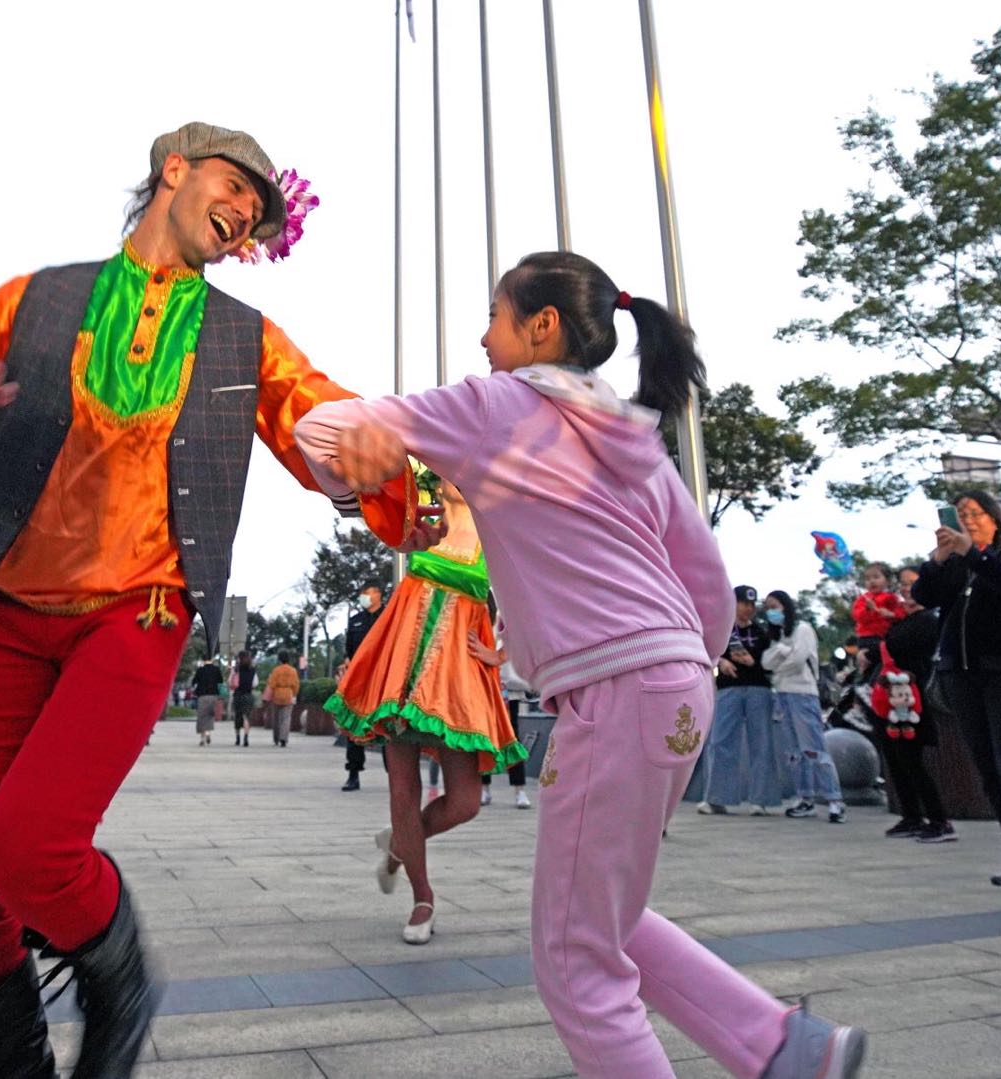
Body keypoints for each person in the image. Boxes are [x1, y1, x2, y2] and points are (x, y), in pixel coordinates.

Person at [0, 121, 438, 1078]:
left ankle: (121, 982)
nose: (245, 216)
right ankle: (16, 1063)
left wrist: (368, 460)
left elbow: (319, 415)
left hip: (138, 611)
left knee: (29, 847)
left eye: (259, 214)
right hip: (2, 605)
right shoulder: (38, 298)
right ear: (175, 168)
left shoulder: (247, 338)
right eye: (237, 188)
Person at [295, 251, 866, 1078]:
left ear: (541, 325)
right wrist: (679, 690)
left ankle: (783, 1047)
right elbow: (705, 582)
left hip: (616, 691)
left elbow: (320, 428)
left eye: (494, 315)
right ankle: (783, 1045)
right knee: (603, 912)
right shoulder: (628, 434)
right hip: (673, 684)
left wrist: (357, 485)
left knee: (572, 959)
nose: (482, 336)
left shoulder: (495, 402)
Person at [325, 476, 527, 943]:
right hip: (403, 661)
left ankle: (399, 846)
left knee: (465, 802)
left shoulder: (498, 531)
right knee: (403, 788)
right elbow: (367, 489)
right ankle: (422, 898)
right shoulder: (420, 520)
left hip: (458, 676)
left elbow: (534, 593)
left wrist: (504, 651)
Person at [912, 490, 1001, 900]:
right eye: (960, 514)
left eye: (974, 513)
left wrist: (975, 555)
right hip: (959, 674)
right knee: (987, 769)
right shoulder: (953, 565)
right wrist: (937, 559)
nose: (967, 520)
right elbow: (922, 597)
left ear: (993, 519)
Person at [878, 567, 954, 843]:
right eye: (903, 585)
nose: (906, 590)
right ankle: (912, 815)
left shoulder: (928, 620)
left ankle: (938, 819)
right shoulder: (900, 621)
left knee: (912, 760)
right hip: (893, 700)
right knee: (898, 759)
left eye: (913, 584)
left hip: (914, 700)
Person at [761, 591, 846, 823]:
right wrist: (781, 654)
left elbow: (798, 659)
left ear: (786, 606)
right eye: (768, 607)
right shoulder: (776, 635)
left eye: (775, 606)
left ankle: (834, 799)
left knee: (813, 748)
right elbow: (766, 661)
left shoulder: (802, 629)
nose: (771, 611)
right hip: (782, 695)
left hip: (803, 694)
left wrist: (780, 663)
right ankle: (804, 798)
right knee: (793, 753)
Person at [699, 585, 779, 815]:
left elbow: (769, 662)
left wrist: (752, 662)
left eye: (752, 605)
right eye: (744, 603)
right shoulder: (720, 630)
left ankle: (761, 799)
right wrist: (722, 662)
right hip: (728, 688)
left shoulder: (763, 633)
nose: (748, 609)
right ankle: (716, 798)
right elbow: (709, 653)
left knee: (761, 743)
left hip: (758, 689)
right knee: (721, 741)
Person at [469, 630, 532, 810]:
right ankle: (484, 787)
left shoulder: (505, 613)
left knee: (512, 735)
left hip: (507, 688)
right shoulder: (483, 614)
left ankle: (519, 789)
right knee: (483, 735)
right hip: (485, 685)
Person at [341, 583, 386, 790]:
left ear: (379, 595)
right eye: (362, 594)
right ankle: (353, 773)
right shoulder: (355, 621)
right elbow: (349, 651)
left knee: (387, 726)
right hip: (360, 680)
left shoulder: (390, 617)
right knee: (355, 726)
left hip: (384, 680)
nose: (364, 597)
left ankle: (394, 773)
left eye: (368, 593)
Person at [851, 562, 904, 689]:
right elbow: (858, 616)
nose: (872, 582)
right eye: (868, 579)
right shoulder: (863, 600)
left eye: (876, 577)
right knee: (877, 661)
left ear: (887, 581)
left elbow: (900, 613)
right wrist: (868, 610)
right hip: (868, 638)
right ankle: (867, 686)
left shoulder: (891, 598)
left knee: (880, 663)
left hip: (884, 637)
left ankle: (869, 685)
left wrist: (891, 614)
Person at [266, 651, 301, 746]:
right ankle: (283, 739)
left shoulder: (276, 670)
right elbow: (296, 685)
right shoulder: (292, 670)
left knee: (276, 718)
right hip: (288, 694)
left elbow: (272, 684)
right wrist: (294, 694)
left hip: (277, 695)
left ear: (279, 659)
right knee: (286, 718)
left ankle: (276, 738)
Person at [192, 657, 223, 747]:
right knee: (210, 715)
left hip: (202, 695)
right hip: (213, 695)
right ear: (212, 660)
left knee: (202, 717)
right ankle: (208, 733)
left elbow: (194, 681)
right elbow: (220, 680)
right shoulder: (216, 669)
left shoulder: (200, 670)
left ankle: (202, 738)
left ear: (203, 660)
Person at [232, 650, 256, 747]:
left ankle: (238, 738)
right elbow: (255, 683)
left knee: (238, 716)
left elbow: (231, 681)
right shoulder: (253, 669)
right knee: (246, 717)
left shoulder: (236, 669)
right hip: (248, 695)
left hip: (238, 695)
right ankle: (246, 738)